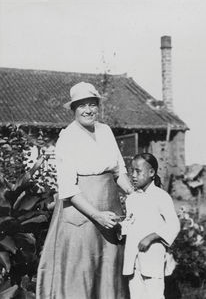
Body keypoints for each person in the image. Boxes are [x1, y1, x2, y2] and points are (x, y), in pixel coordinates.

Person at [36, 82, 133, 299]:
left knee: (109, 270)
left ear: (98, 107)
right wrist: (97, 215)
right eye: (82, 105)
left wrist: (135, 195)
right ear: (73, 109)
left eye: (92, 104)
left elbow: (119, 171)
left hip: (111, 210)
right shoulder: (68, 137)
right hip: (82, 213)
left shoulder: (106, 131)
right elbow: (68, 189)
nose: (88, 110)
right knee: (83, 271)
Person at [120, 153, 180, 299]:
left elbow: (174, 224)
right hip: (133, 259)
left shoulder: (161, 196)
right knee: (136, 294)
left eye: (138, 171)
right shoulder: (132, 199)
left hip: (152, 257)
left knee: (154, 294)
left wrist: (151, 237)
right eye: (131, 171)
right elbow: (130, 222)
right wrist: (119, 228)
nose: (133, 175)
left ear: (151, 173)